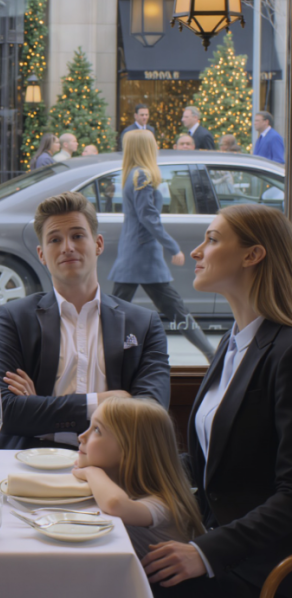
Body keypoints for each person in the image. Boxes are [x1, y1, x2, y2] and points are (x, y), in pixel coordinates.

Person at [143, 204, 292, 597]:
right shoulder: (232, 342)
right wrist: (125, 469)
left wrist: (206, 553)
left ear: (252, 255)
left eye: (211, 240)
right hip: (218, 541)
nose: (196, 251)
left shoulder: (287, 351)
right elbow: (211, 464)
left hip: (264, 568)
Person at [0, 190, 170, 451]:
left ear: (98, 244)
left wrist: (38, 406)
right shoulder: (13, 318)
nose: (67, 247)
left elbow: (151, 413)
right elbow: (4, 411)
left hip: (114, 463)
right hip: (32, 459)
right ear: (41, 254)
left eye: (77, 236)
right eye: (55, 239)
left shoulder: (144, 324)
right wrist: (106, 401)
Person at [108, 131, 214, 361]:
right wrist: (172, 246)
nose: (157, 146)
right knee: (175, 310)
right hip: (143, 254)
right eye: (153, 143)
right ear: (146, 147)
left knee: (115, 310)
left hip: (135, 252)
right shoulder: (142, 176)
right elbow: (148, 216)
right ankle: (213, 356)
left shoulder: (133, 174)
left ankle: (212, 355)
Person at [72, 397, 204, 560]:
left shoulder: (165, 504)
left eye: (97, 430)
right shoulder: (119, 484)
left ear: (129, 452)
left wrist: (92, 472)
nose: (82, 436)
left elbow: (115, 504)